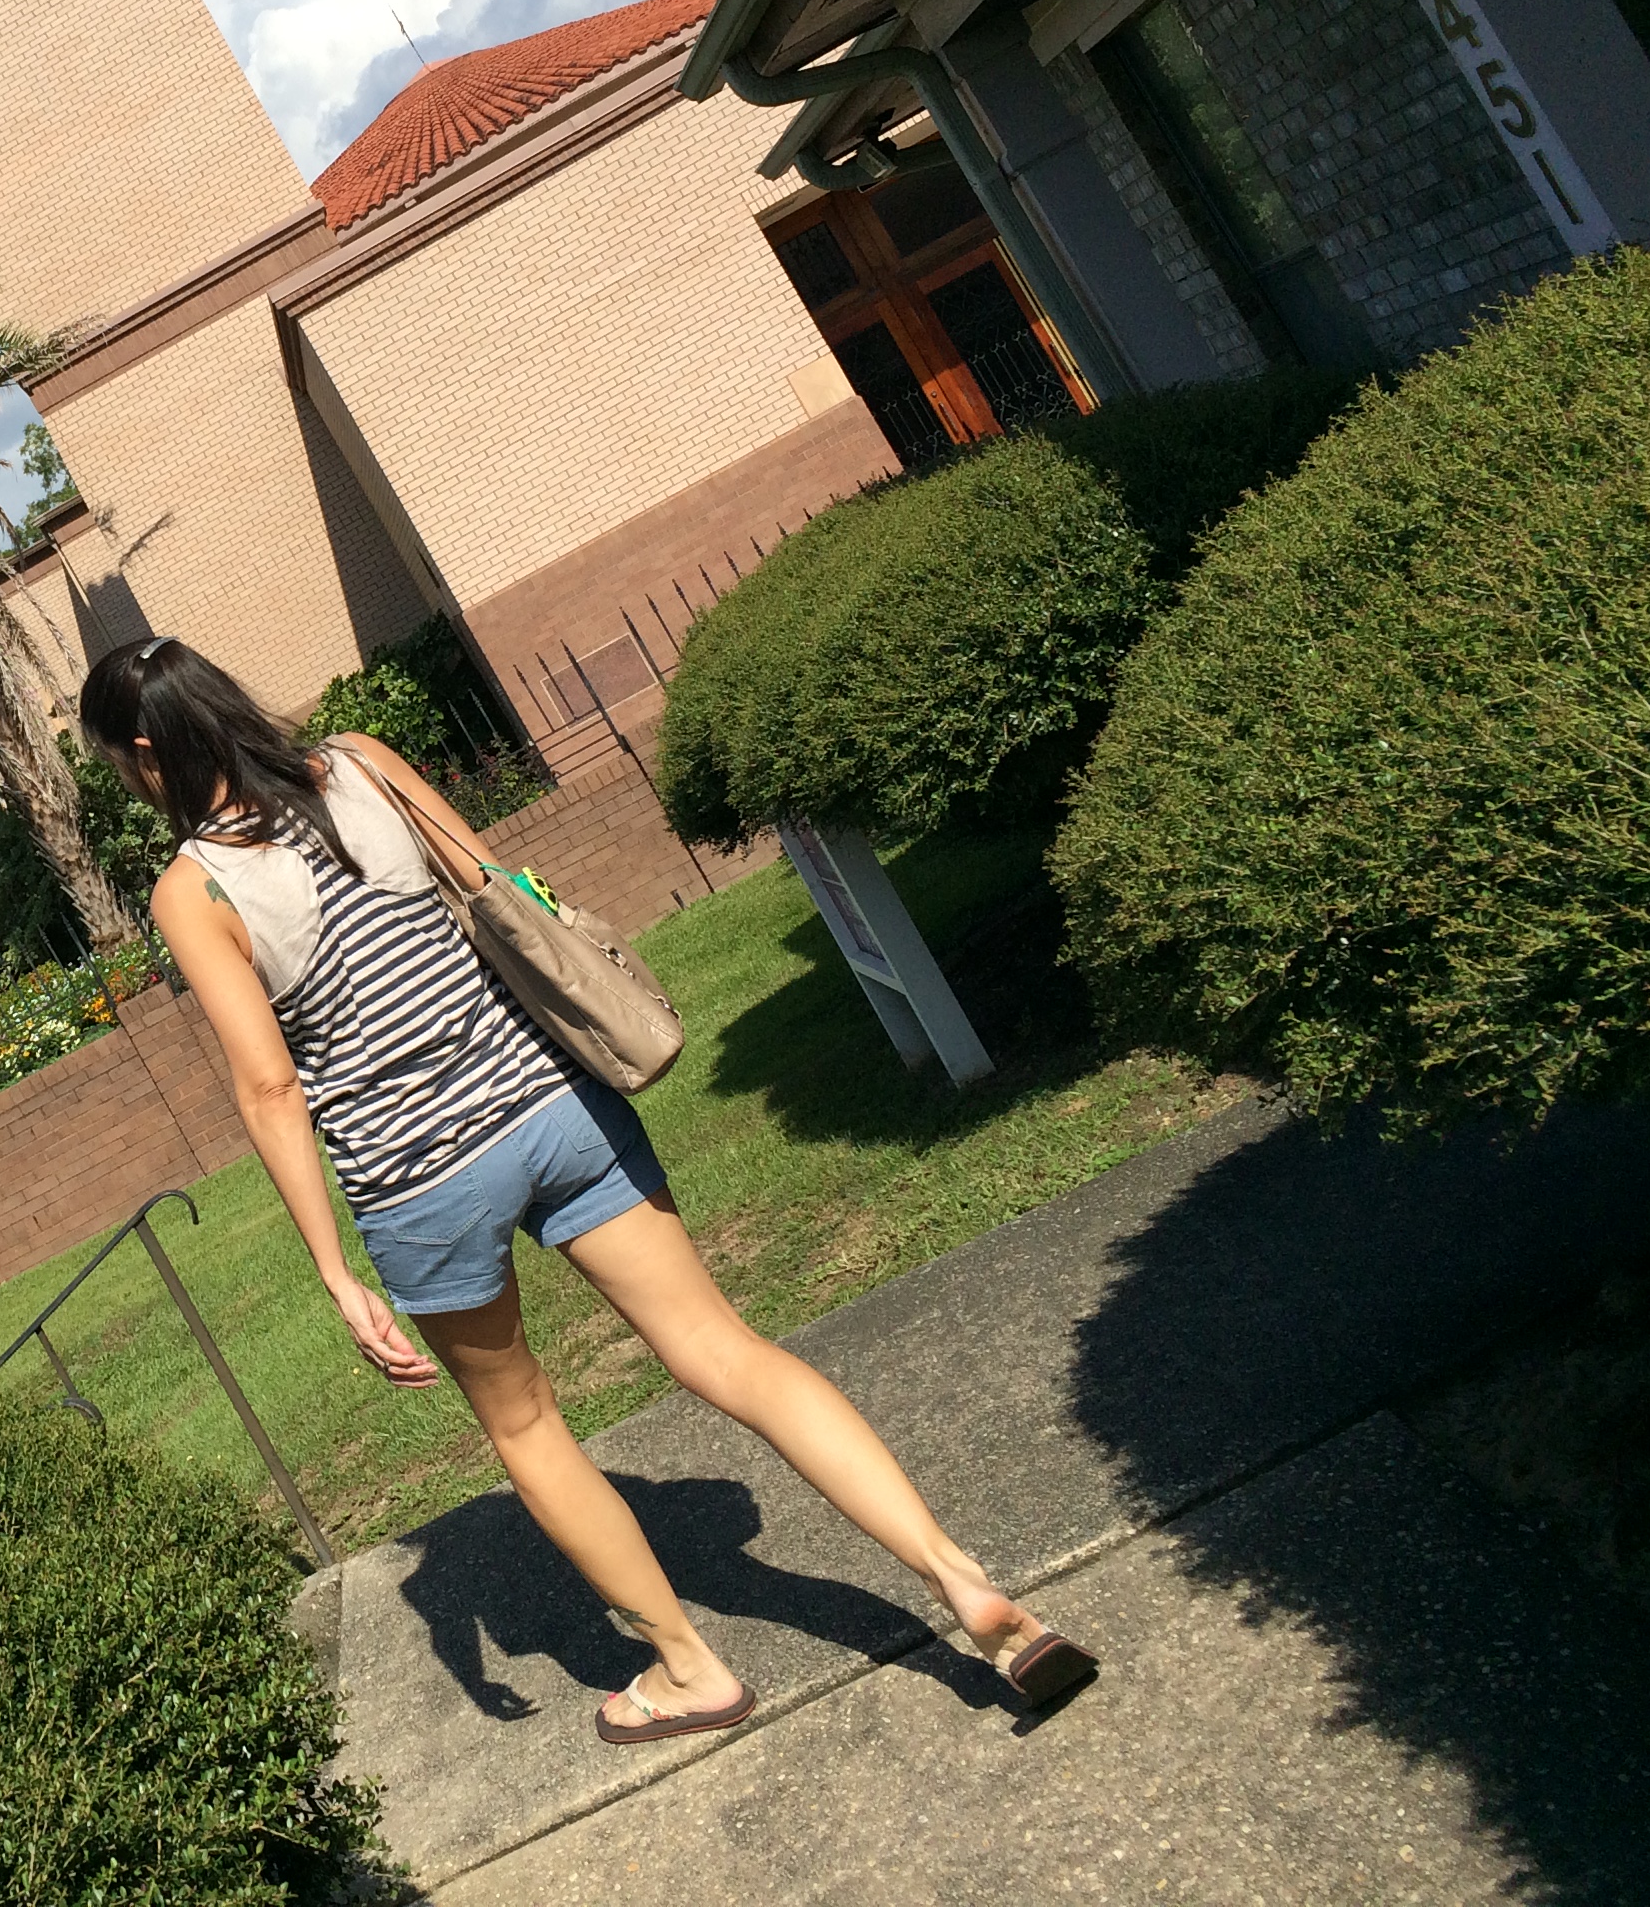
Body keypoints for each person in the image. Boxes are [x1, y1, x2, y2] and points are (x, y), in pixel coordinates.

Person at [82, 635, 1098, 1741]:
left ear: (147, 754)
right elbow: (500, 892)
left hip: (420, 1182)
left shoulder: (194, 888)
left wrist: (334, 1270)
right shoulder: (363, 762)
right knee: (725, 1348)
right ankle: (963, 1581)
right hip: (551, 1104)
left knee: (527, 1428)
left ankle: (690, 1670)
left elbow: (271, 1086)